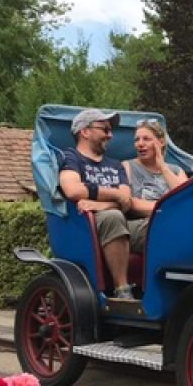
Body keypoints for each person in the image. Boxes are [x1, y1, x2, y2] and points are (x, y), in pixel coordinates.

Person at [57, 109, 139, 300]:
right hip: (85, 226)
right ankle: (122, 290)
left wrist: (100, 204)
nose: (110, 135)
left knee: (156, 224)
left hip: (119, 221)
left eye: (111, 130)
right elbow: (72, 190)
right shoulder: (70, 158)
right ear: (85, 131)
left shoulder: (116, 165)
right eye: (105, 129)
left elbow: (126, 200)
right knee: (113, 217)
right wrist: (115, 195)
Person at [124, 118, 188, 216]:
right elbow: (131, 203)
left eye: (146, 139)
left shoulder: (177, 170)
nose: (140, 144)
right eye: (137, 140)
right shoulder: (127, 166)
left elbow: (185, 197)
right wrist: (170, 208)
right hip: (145, 220)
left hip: (176, 218)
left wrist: (162, 167)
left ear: (161, 142)